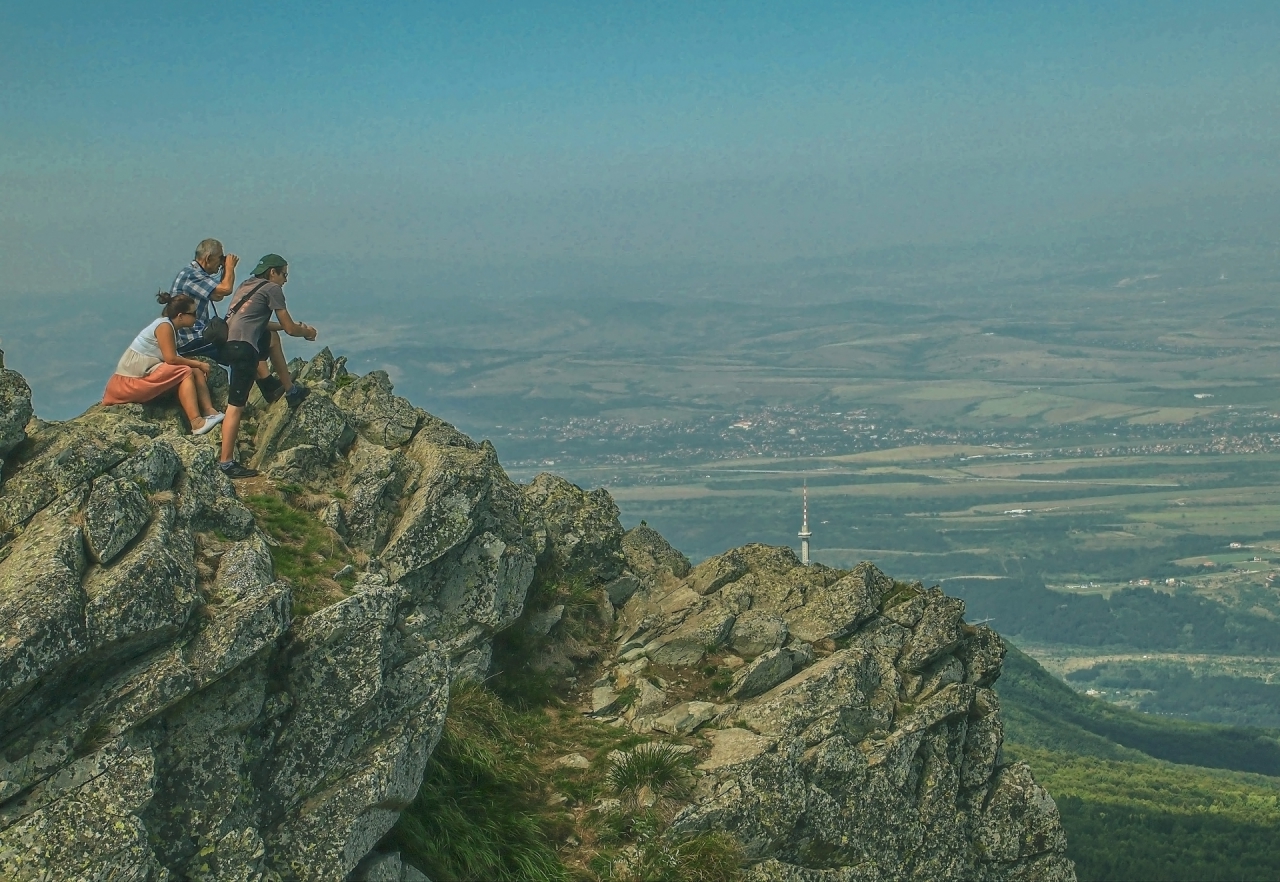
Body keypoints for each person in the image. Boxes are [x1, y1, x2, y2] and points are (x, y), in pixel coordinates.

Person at [218, 254, 317, 478]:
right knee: (236, 405)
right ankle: (226, 463)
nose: (285, 279)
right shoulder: (273, 289)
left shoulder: (247, 285)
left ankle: (287, 389)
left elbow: (256, 321)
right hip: (243, 349)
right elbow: (291, 328)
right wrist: (307, 332)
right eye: (284, 274)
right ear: (272, 272)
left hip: (229, 344)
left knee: (271, 337)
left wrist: (283, 328)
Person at [170, 237, 293, 403]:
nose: (221, 262)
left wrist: (224, 270)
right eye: (220, 258)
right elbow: (225, 289)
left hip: (199, 334)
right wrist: (229, 268)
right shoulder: (190, 275)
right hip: (191, 339)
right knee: (243, 341)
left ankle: (268, 383)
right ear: (208, 258)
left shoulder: (196, 275)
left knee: (253, 335)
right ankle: (268, 386)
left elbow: (217, 296)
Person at [103, 294, 225, 435]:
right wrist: (199, 363)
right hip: (129, 383)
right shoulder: (164, 327)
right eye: (193, 313)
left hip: (142, 376)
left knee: (194, 371)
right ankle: (196, 422)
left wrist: (197, 367)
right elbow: (171, 359)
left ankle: (210, 411)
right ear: (180, 316)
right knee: (185, 371)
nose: (196, 317)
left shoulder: (168, 326)